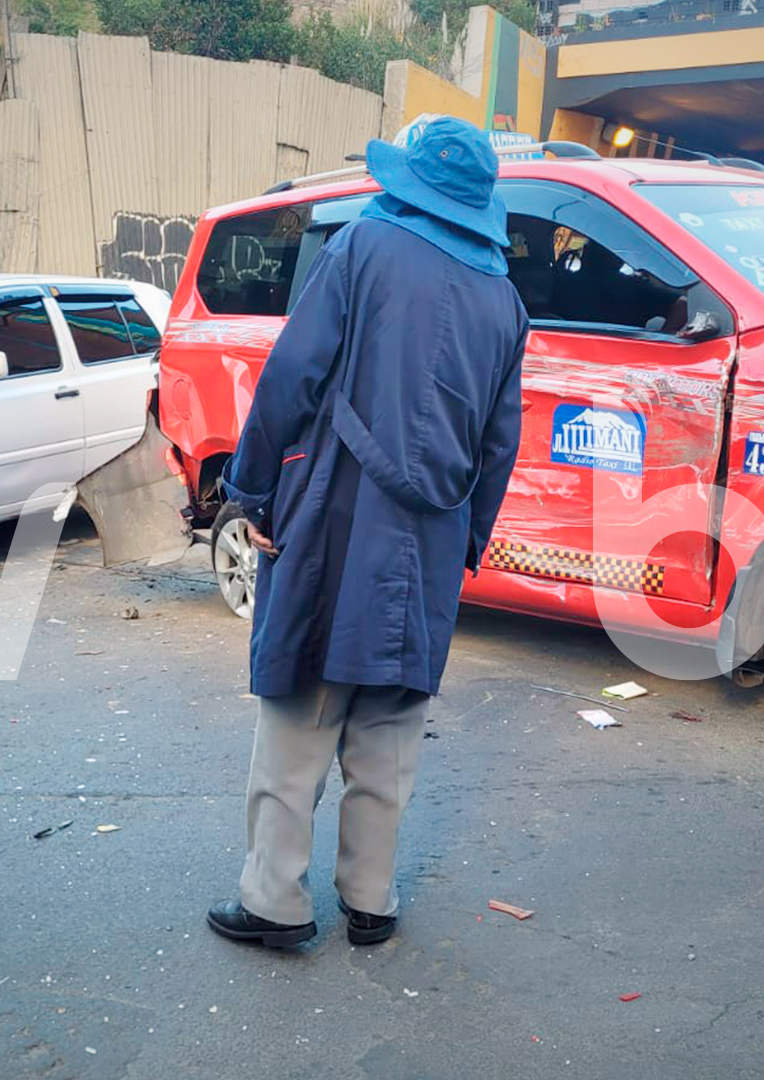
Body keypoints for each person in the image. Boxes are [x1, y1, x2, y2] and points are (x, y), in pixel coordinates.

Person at [205, 116, 528, 949]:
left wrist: (249, 488)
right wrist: (469, 539)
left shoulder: (365, 246)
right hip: (432, 533)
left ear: (411, 182)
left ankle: (276, 901)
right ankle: (371, 899)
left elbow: (291, 374)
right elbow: (501, 440)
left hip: (337, 510)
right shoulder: (506, 298)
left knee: (301, 710)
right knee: (389, 716)